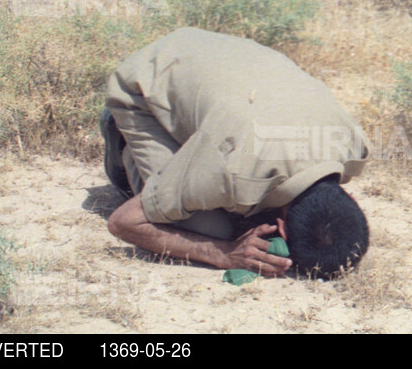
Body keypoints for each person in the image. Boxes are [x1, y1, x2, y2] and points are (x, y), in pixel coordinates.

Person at [101, 28, 370, 278]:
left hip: (223, 52)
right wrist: (222, 253)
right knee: (207, 229)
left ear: (351, 197)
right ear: (282, 228)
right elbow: (123, 222)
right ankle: (119, 139)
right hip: (146, 80)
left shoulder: (355, 146)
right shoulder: (230, 173)